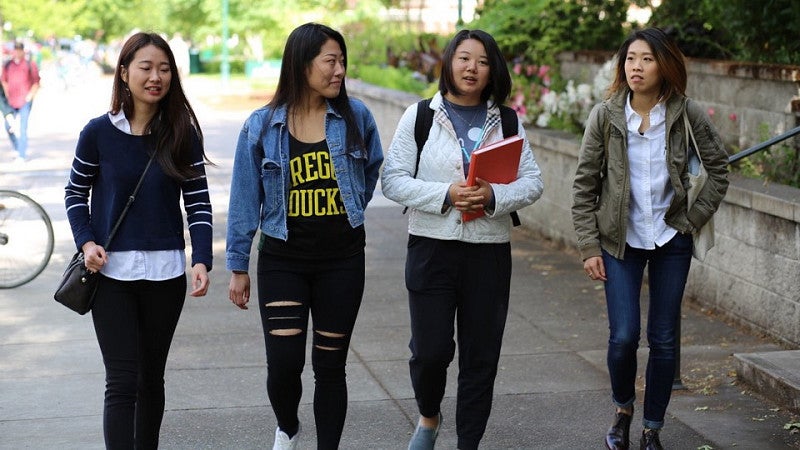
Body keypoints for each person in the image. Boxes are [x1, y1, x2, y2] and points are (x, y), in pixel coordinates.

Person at [381, 29, 543, 450]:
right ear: (449, 62)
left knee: (481, 355)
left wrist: (493, 196)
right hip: (431, 247)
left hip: (488, 252)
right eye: (464, 58)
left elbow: (533, 183)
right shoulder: (420, 115)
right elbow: (393, 180)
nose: (472, 68)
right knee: (430, 352)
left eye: (483, 61)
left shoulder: (506, 120)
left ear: (493, 71)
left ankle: (468, 441)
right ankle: (429, 416)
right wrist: (446, 195)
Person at [225, 23, 383, 450]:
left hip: (342, 261)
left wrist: (349, 207)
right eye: (330, 60)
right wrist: (238, 265)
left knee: (331, 366)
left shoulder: (357, 117)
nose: (340, 70)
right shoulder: (262, 126)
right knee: (284, 363)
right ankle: (288, 427)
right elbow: (244, 197)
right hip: (283, 261)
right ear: (302, 63)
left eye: (342, 61)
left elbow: (371, 171)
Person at [571, 28, 729, 450]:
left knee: (663, 338)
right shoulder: (605, 116)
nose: (636, 67)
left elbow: (719, 170)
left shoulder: (686, 113)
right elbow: (584, 184)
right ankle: (623, 409)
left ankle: (652, 428)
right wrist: (589, 246)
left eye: (646, 59)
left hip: (670, 240)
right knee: (624, 336)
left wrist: (691, 219)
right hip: (618, 241)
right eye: (630, 59)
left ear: (665, 65)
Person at [64, 31, 213, 449]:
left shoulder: (182, 133)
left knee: (151, 379)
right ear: (125, 72)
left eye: (164, 69)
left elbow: (198, 204)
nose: (156, 77)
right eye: (146, 68)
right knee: (122, 381)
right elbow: (75, 192)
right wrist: (85, 242)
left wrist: (202, 258)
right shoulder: (97, 133)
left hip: (166, 273)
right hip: (111, 273)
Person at [1, 41, 40, 162]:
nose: (17, 52)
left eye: (19, 50)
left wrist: (30, 96)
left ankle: (22, 155)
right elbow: (3, 80)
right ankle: (18, 148)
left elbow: (36, 82)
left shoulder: (30, 64)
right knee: (8, 126)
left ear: (23, 51)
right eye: (15, 50)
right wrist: (7, 93)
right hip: (11, 101)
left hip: (24, 101)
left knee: (23, 127)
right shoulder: (8, 65)